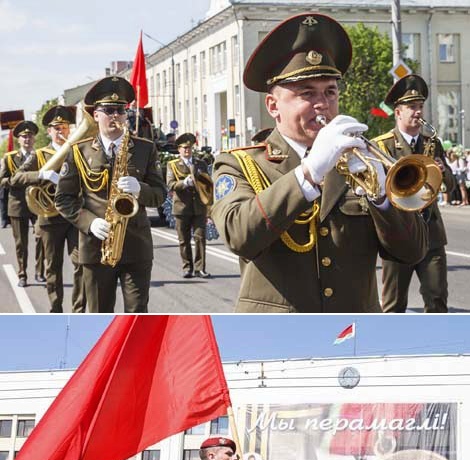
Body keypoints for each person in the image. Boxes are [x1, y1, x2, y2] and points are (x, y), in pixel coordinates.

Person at [210, 11, 427, 313]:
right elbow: (239, 235)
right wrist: (309, 173)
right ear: (273, 105)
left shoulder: (358, 159)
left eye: (330, 91)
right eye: (307, 93)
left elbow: (412, 251)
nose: (322, 104)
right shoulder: (239, 163)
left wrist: (381, 198)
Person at [55, 75, 166, 312]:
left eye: (120, 110)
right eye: (108, 110)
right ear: (96, 115)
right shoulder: (78, 151)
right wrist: (89, 222)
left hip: (136, 247)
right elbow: (63, 199)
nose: (115, 116)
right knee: (99, 314)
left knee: (137, 314)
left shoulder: (146, 148)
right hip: (96, 248)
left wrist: (140, 189)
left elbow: (160, 195)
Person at [375, 75, 455, 312]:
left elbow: (449, 185)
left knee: (437, 299)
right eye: (411, 107)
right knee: (394, 304)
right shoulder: (383, 146)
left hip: (432, 234)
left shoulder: (432, 143)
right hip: (398, 234)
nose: (418, 112)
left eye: (420, 107)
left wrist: (442, 171)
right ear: (398, 112)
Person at [11, 105, 86, 313]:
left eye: (64, 127)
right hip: (49, 219)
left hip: (74, 217)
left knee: (81, 264)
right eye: (56, 128)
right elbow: (16, 177)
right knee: (53, 268)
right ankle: (55, 308)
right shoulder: (40, 155)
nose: (61, 131)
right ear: (49, 131)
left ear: (69, 129)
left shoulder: (78, 151)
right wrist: (42, 175)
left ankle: (79, 310)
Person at [0, 120, 44, 286]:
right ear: (18, 139)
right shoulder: (9, 158)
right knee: (21, 243)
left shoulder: (40, 156)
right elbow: (1, 180)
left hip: (38, 204)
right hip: (17, 205)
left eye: (30, 136)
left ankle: (40, 272)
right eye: (24, 137)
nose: (27, 139)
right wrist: (13, 181)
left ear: (34, 138)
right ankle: (22, 274)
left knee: (41, 238)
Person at [166, 133, 211, 278]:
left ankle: (200, 268)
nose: (187, 150)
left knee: (200, 238)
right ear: (179, 149)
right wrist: (184, 183)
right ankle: (187, 268)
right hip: (182, 207)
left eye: (190, 147)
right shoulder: (172, 165)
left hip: (199, 206)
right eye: (184, 148)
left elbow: (208, 184)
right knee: (183, 240)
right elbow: (170, 184)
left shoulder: (201, 164)